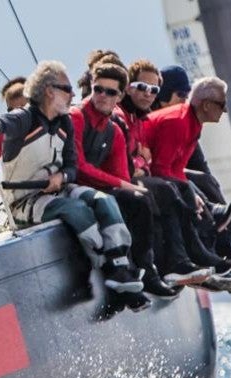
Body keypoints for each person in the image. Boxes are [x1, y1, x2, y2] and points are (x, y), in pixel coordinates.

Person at [0, 60, 149, 311]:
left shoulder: (65, 123)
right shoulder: (24, 120)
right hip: (26, 200)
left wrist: (61, 178)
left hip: (59, 188)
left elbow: (72, 166)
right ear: (50, 91)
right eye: (67, 89)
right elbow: (1, 124)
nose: (73, 95)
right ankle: (106, 267)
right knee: (77, 211)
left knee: (104, 201)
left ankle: (120, 266)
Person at [68, 61, 182, 298]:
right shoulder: (76, 117)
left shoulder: (114, 130)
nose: (102, 96)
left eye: (110, 92)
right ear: (91, 87)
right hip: (72, 186)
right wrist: (122, 184)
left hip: (97, 188)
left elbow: (120, 175)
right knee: (126, 194)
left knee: (139, 199)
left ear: (120, 95)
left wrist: (125, 186)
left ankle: (144, 271)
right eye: (98, 89)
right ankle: (120, 274)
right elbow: (79, 167)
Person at [143, 76, 231, 292]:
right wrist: (190, 193)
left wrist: (193, 194)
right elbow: (160, 168)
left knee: (196, 189)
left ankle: (208, 251)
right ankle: (187, 258)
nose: (225, 111)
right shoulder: (177, 122)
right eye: (222, 105)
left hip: (159, 174)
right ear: (206, 105)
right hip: (140, 172)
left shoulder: (194, 124)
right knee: (179, 194)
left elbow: (175, 168)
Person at [117, 59, 215, 288]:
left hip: (141, 174)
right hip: (122, 180)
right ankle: (167, 266)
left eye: (153, 90)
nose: (147, 94)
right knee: (166, 191)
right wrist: (139, 164)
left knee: (194, 184)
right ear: (129, 87)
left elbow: (145, 154)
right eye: (141, 87)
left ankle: (212, 253)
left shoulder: (144, 119)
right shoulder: (122, 115)